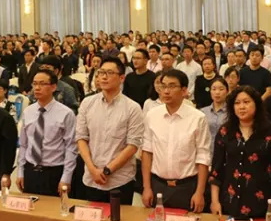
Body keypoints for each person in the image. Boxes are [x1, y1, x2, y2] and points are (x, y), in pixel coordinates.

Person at [209, 86, 271, 220]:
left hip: (262, 203)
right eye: (237, 103)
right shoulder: (225, 131)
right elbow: (216, 170)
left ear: (256, 104)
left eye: (246, 102)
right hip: (229, 203)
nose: (241, 107)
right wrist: (215, 201)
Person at [142, 69, 211, 212]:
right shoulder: (152, 115)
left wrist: (199, 193)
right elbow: (147, 152)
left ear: (184, 90)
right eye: (163, 86)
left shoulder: (198, 118)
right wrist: (147, 187)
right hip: (158, 185)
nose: (166, 91)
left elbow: (203, 157)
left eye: (172, 86)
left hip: (187, 187)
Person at [76, 57, 144, 204]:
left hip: (120, 180)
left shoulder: (133, 108)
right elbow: (81, 138)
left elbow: (132, 146)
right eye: (101, 72)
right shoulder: (87, 103)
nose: (104, 77)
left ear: (121, 78)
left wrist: (107, 170)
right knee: (92, 216)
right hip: (91, 178)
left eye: (109, 73)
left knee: (119, 218)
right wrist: (92, 169)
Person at [17, 70, 77, 197]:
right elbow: (23, 144)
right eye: (34, 84)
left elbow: (71, 147)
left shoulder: (66, 113)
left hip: (54, 172)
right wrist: (20, 172)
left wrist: (66, 177)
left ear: (54, 87)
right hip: (30, 170)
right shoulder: (28, 111)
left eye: (42, 84)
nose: (37, 88)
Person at [199, 77, 229, 160]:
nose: (217, 92)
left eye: (221, 89)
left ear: (227, 91)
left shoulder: (232, 112)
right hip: (206, 154)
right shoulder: (202, 112)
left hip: (226, 154)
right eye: (214, 89)